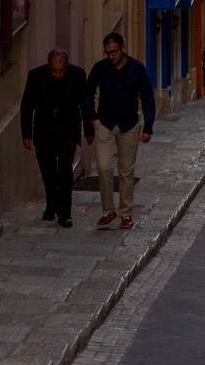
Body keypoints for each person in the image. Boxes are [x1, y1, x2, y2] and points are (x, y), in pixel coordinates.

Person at [87, 32, 155, 231]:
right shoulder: (99, 68)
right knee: (104, 167)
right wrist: (93, 119)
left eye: (114, 52)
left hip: (129, 125)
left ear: (123, 48)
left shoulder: (137, 69)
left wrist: (148, 127)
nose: (111, 56)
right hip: (105, 123)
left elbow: (147, 97)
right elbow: (88, 93)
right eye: (107, 53)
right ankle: (108, 210)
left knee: (126, 171)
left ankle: (126, 213)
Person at [21, 48, 91, 228]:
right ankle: (51, 205)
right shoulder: (36, 76)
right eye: (54, 71)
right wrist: (26, 134)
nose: (58, 75)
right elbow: (27, 106)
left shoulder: (77, 74)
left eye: (61, 71)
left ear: (67, 66)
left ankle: (65, 213)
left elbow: (84, 102)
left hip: (68, 131)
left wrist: (88, 131)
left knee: (66, 171)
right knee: (48, 172)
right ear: (48, 66)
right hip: (44, 132)